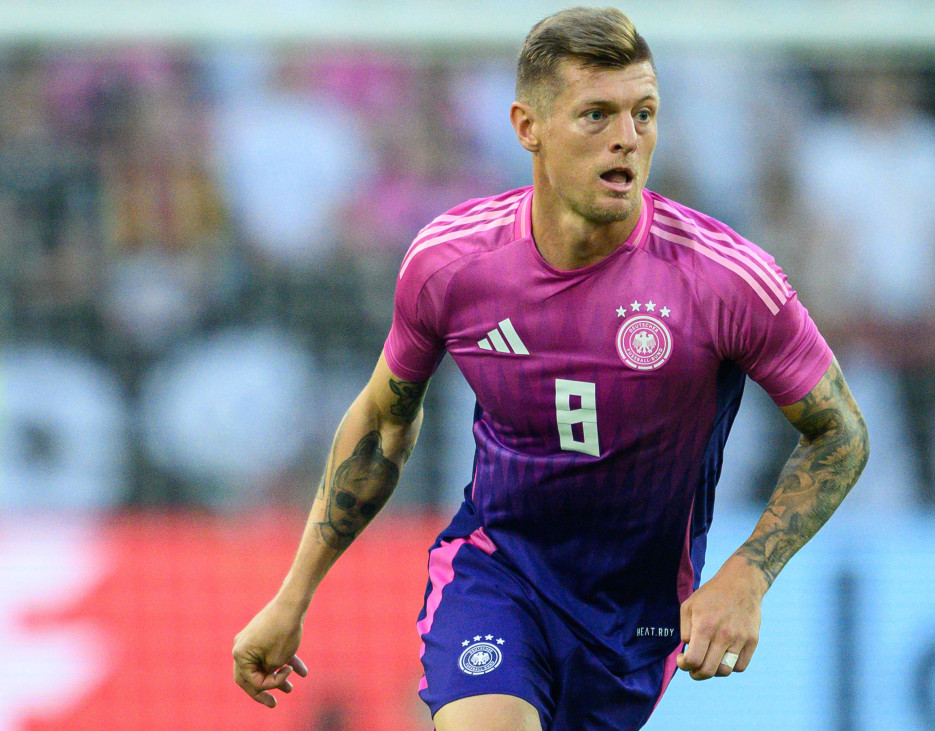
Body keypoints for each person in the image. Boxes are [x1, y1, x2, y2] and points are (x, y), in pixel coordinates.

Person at [232, 8, 868, 730]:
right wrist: (292, 597)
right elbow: (383, 425)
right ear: (527, 127)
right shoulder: (453, 264)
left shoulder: (724, 280)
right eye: (596, 114)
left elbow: (841, 432)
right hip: (499, 572)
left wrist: (750, 571)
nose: (627, 137)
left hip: (635, 619)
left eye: (644, 113)